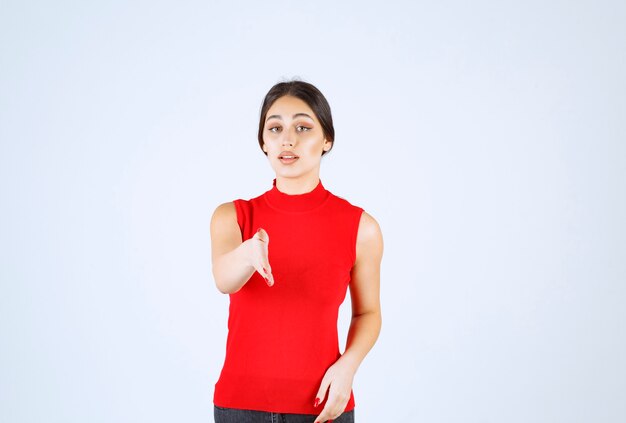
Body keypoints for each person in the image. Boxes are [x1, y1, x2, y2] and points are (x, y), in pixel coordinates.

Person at [210, 79, 383, 423]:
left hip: (322, 407)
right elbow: (224, 280)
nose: (287, 139)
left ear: (327, 140)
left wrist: (348, 367)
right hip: (240, 408)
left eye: (303, 127)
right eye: (275, 128)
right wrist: (249, 254)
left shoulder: (360, 227)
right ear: (263, 142)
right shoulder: (233, 216)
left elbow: (368, 314)